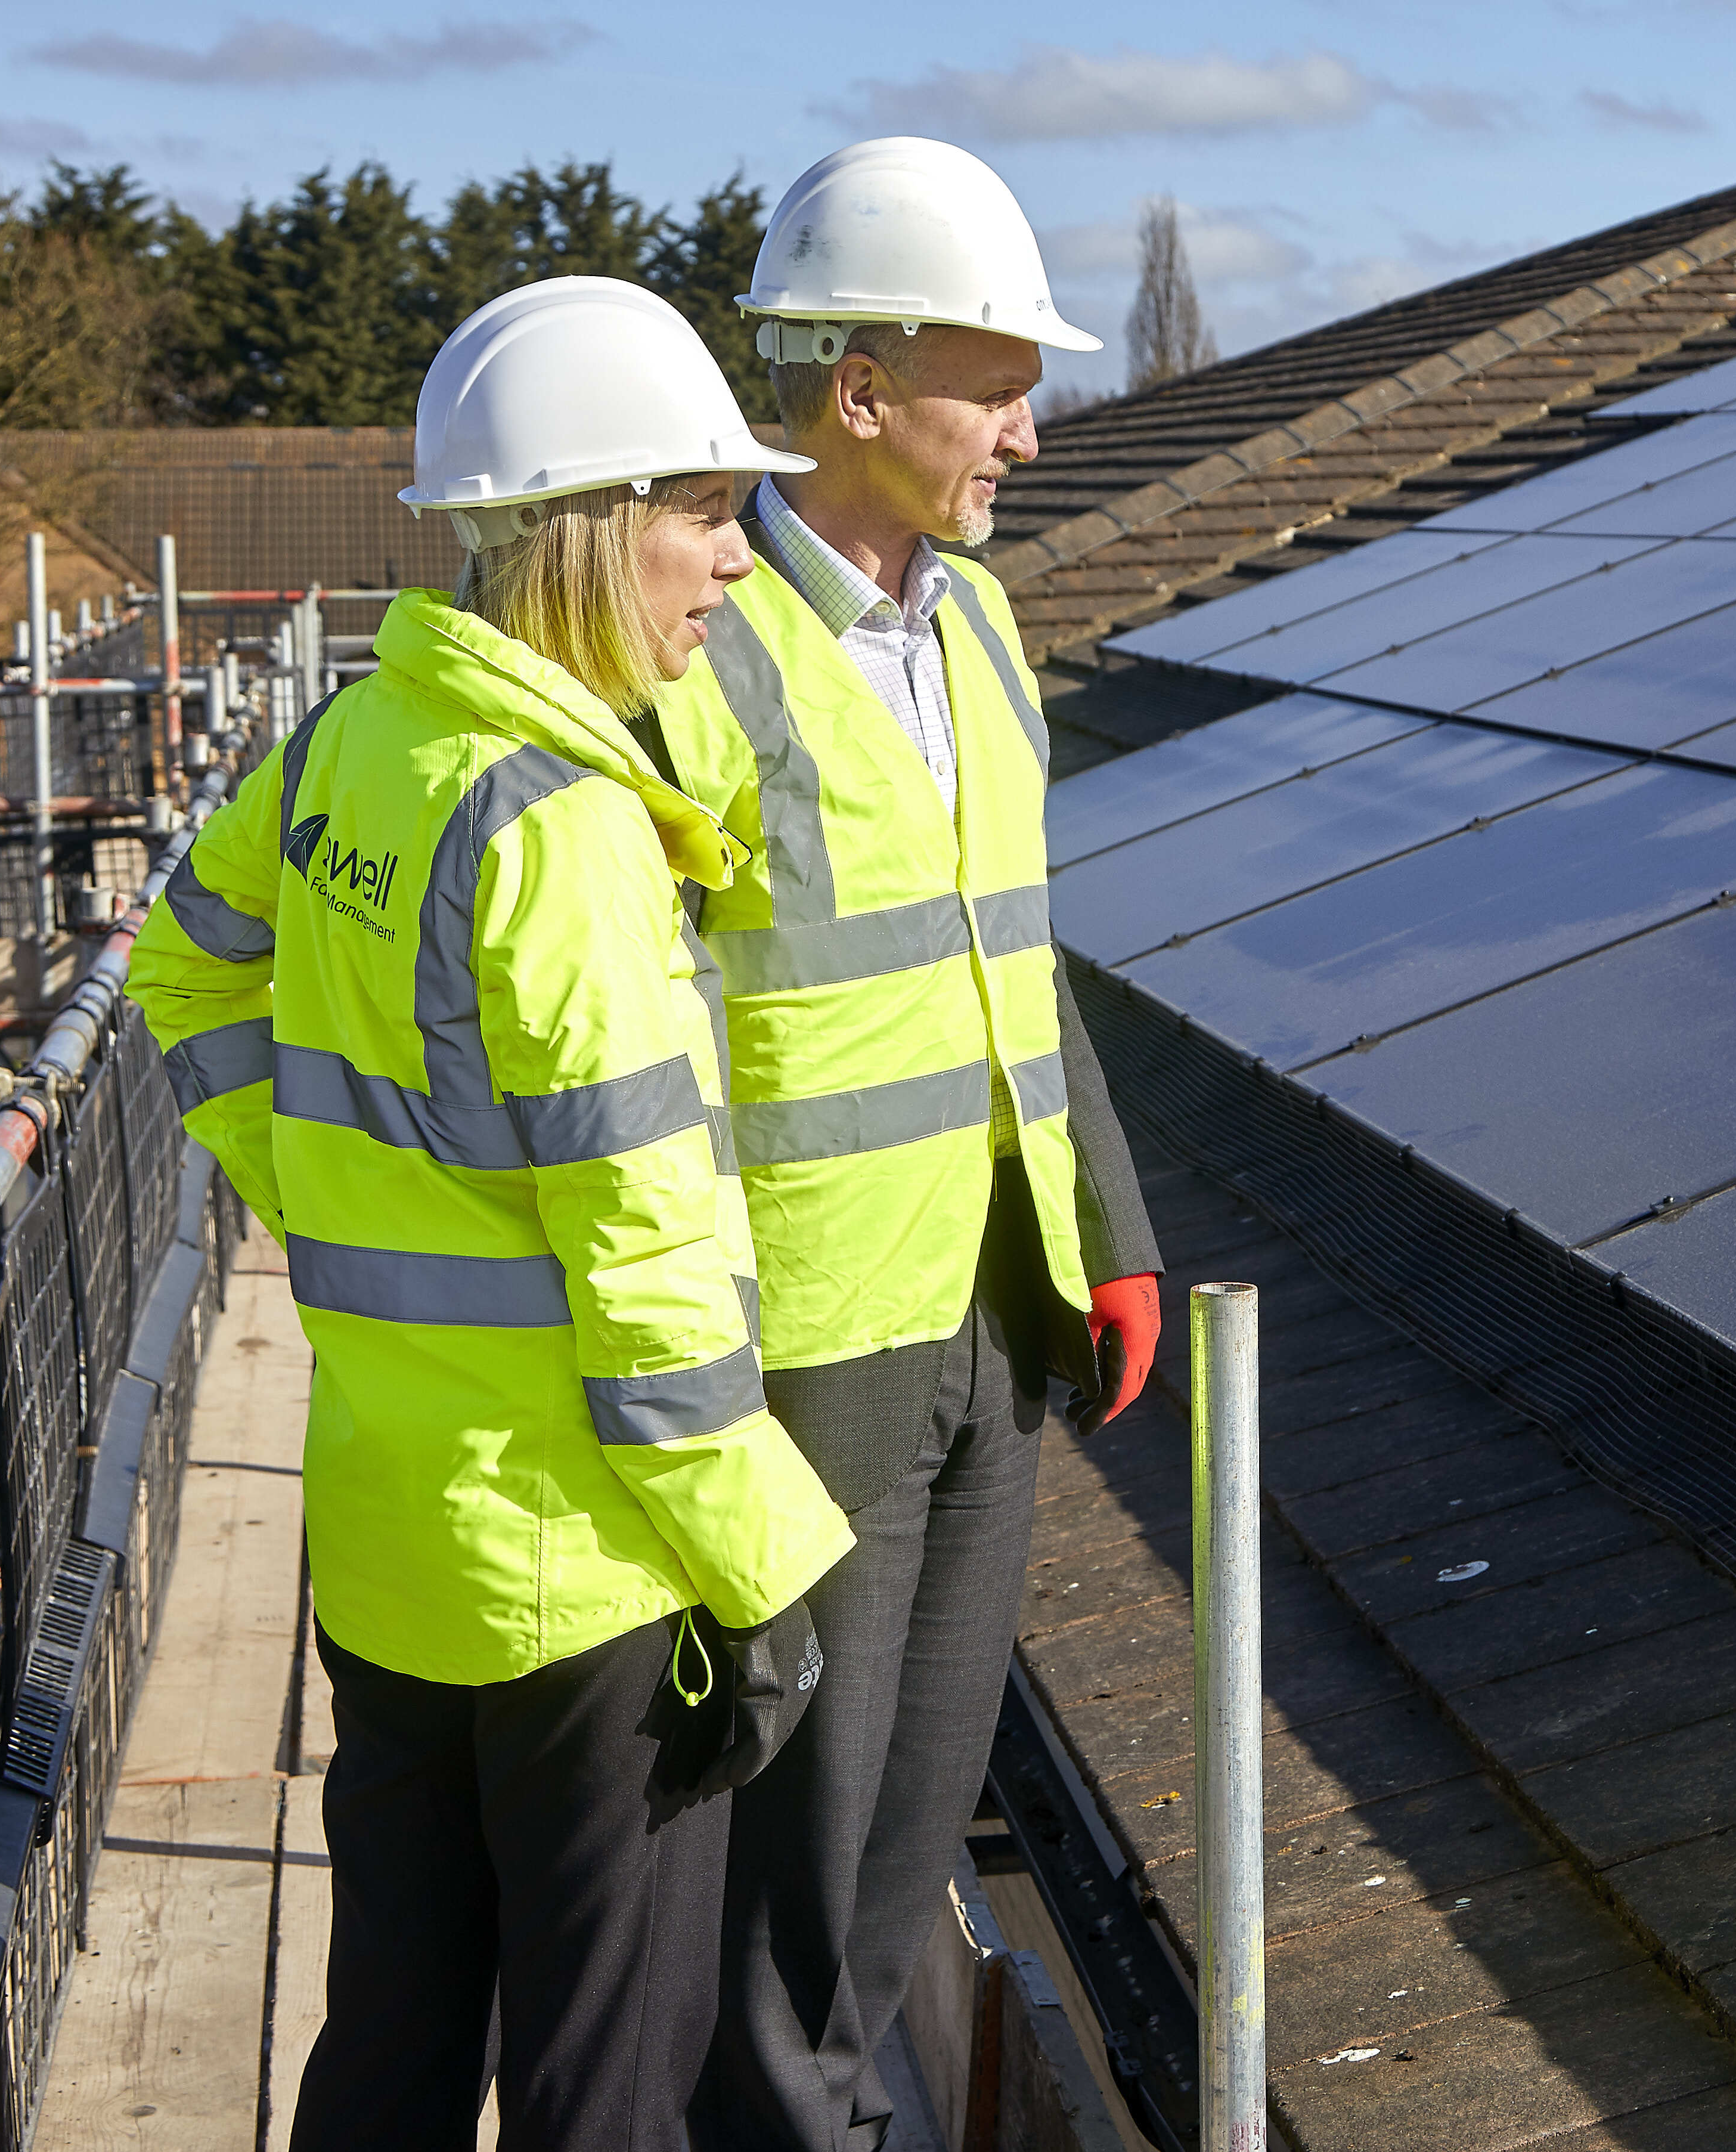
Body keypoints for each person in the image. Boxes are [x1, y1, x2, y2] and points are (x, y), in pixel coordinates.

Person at [134, 276, 853, 2150]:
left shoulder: (351, 750)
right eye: (707, 512)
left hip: (385, 1535)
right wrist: (763, 1574)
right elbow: (652, 1267)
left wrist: (312, 1186)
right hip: (585, 1576)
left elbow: (182, 976)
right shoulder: (567, 835)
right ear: (596, 526)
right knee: (600, 2086)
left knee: (384, 2037)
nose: (736, 562)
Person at [659, 137, 1166, 2150]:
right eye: (992, 386)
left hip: (987, 1304)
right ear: (856, 390)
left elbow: (1017, 962)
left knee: (898, 1845)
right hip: (806, 1342)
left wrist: (1105, 1226)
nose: (1029, 435)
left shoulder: (976, 629)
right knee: (792, 1841)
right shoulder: (706, 654)